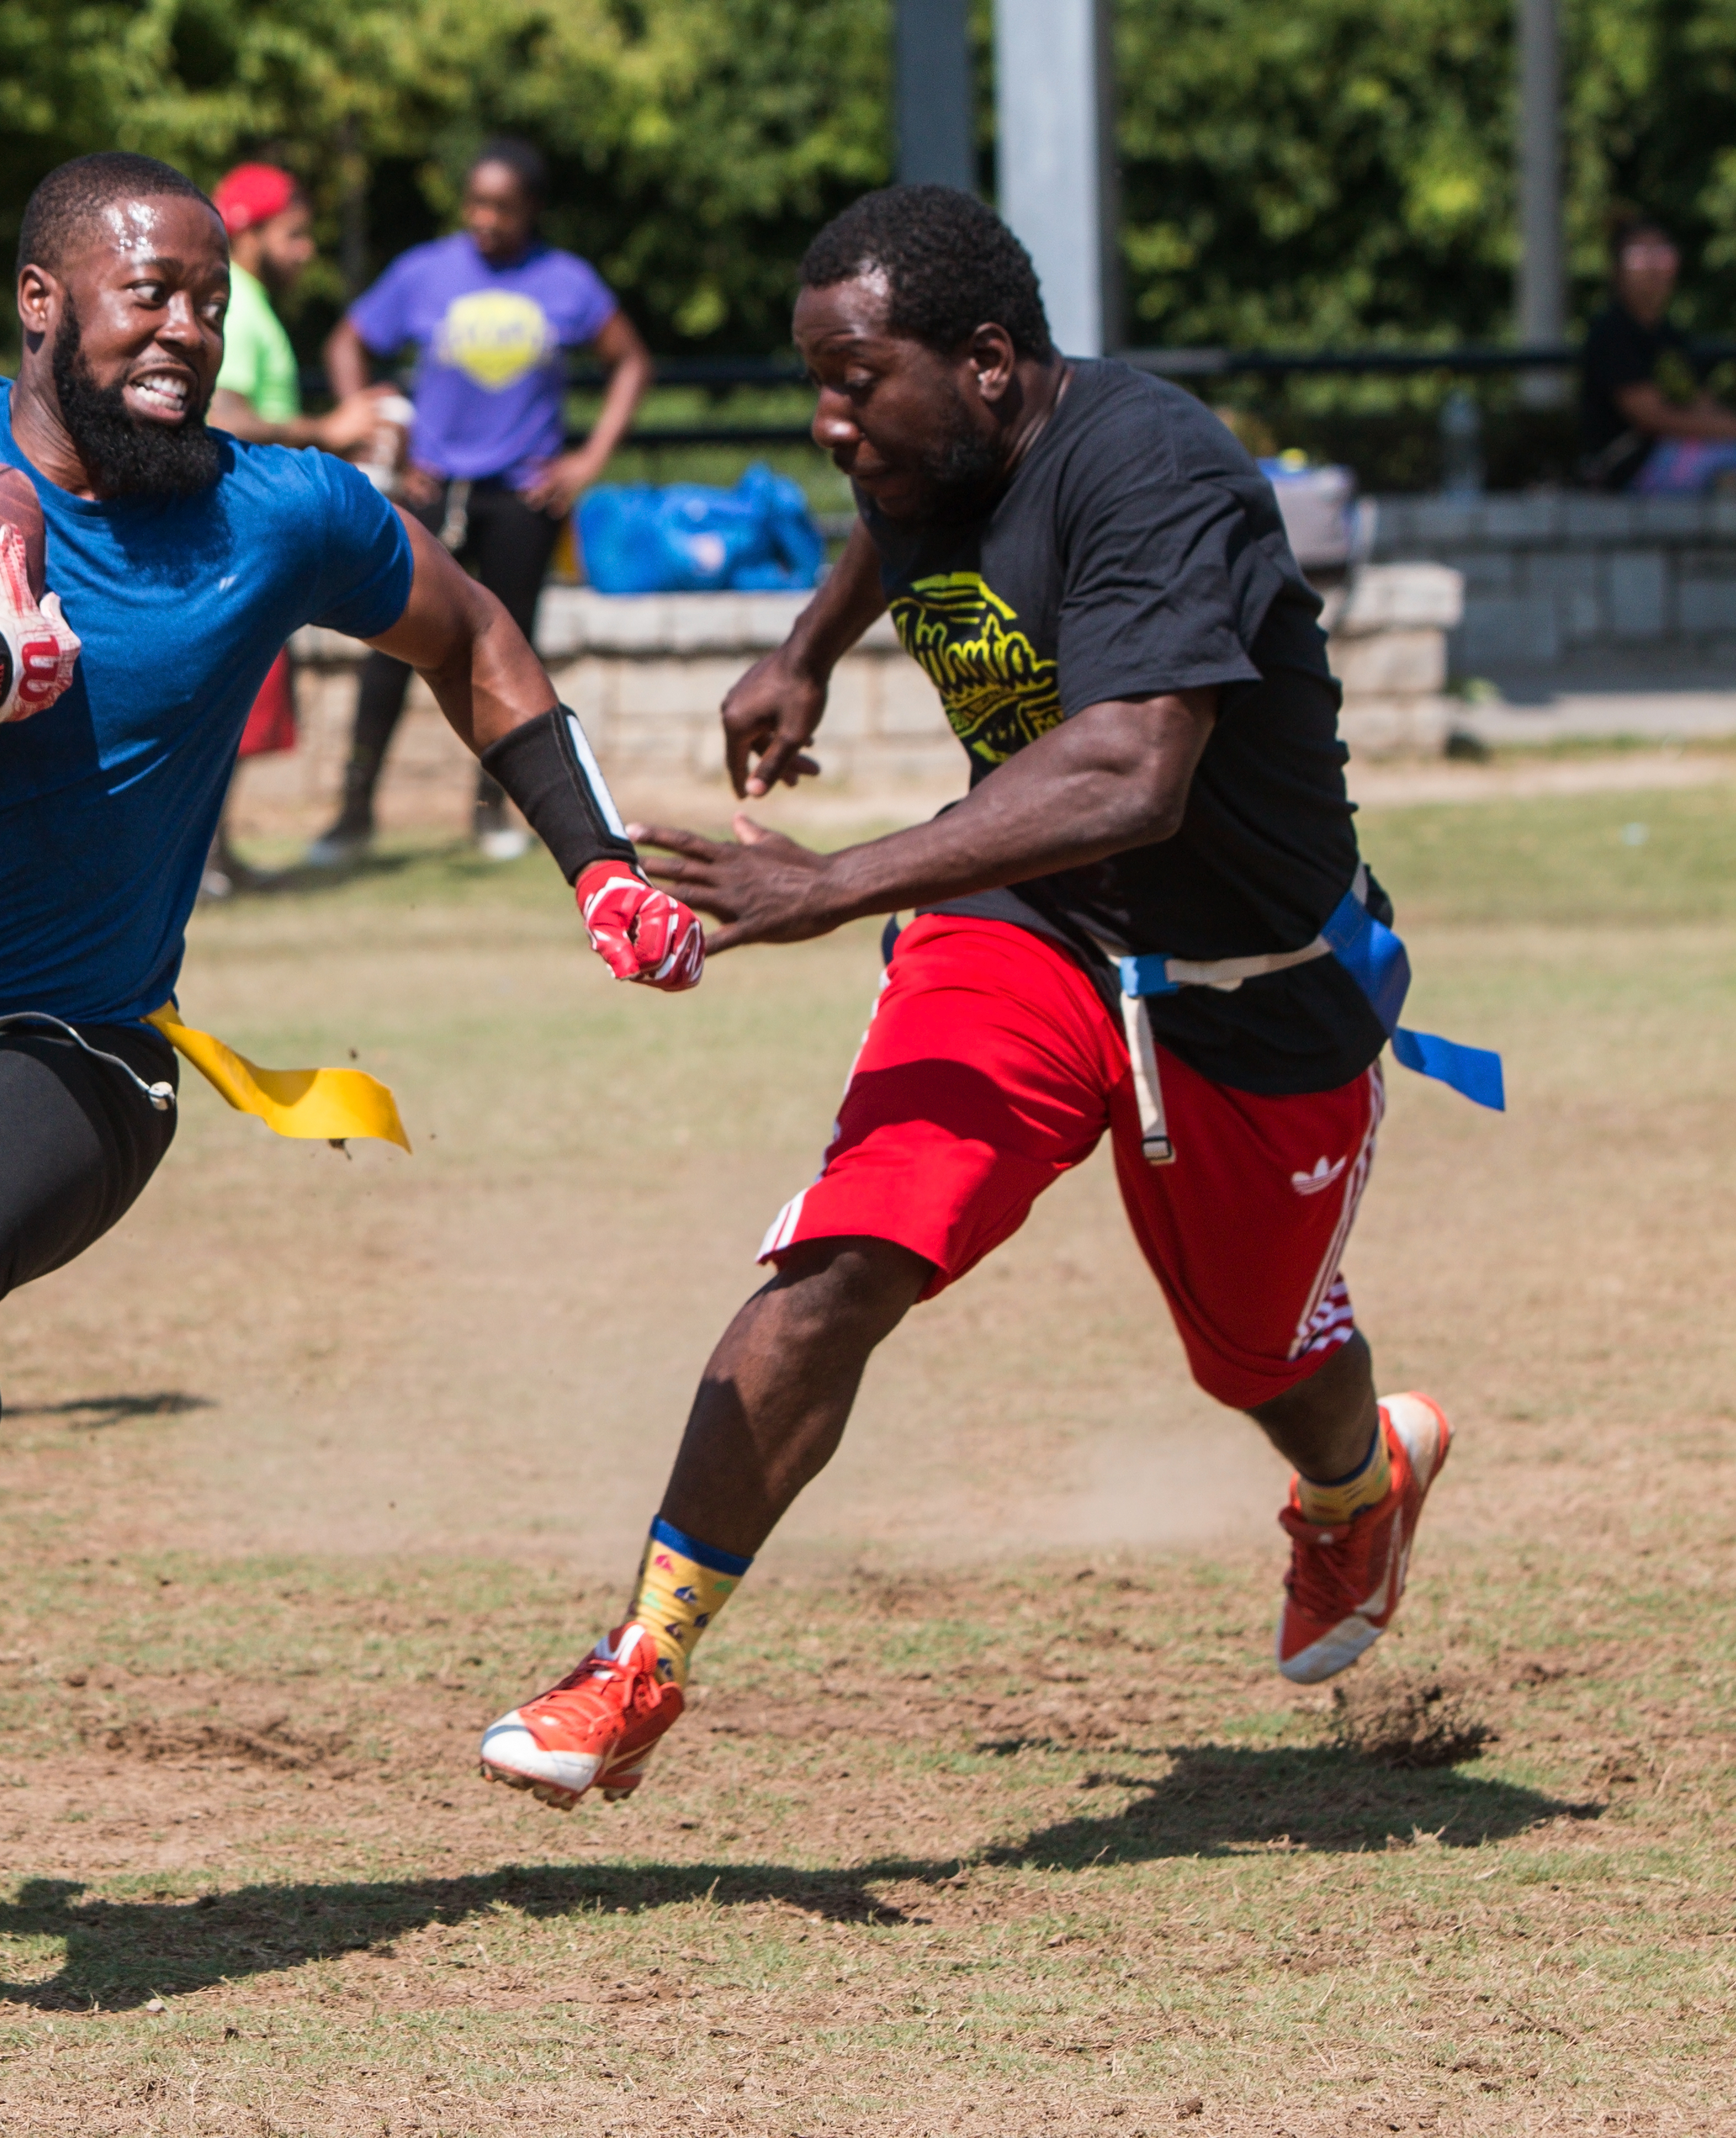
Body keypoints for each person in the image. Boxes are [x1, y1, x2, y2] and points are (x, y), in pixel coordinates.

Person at [0, 151, 704, 1938]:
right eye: (145, 293)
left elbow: (472, 626)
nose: (184, 327)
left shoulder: (280, 508)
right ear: (44, 303)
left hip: (83, 1048)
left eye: (206, 296)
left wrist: (599, 864)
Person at [476, 186, 1490, 1811]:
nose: (828, 423)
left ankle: (1362, 1480)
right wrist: (805, 647)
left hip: (1253, 989)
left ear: (993, 364)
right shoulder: (935, 449)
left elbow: (1129, 769)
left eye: (853, 381)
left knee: (1255, 1358)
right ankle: (638, 1659)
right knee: (849, 1251)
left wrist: (829, 879)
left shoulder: (1155, 472)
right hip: (1019, 928)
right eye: (818, 382)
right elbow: (904, 514)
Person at [309, 139, 649, 865]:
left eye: (502, 205)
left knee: (507, 654)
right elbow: (348, 341)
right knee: (387, 647)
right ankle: (352, 813)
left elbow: (630, 362)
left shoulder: (566, 282)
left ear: (530, 209)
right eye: (476, 202)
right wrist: (372, 428)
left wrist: (585, 461)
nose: (485, 218)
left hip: (520, 498)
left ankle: (490, 813)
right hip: (430, 489)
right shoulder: (425, 271)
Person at [198, 161, 390, 894]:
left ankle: (216, 856)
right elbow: (226, 416)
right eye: (294, 233)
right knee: (229, 703)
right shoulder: (236, 305)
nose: (306, 251)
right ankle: (204, 861)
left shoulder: (242, 301)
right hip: (231, 538)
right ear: (246, 231)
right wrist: (331, 429)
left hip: (248, 537)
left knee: (244, 702)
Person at [1581, 213, 1736, 494]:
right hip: (1630, 471)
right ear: (1618, 268)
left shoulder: (1669, 335)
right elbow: (1651, 415)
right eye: (1641, 256)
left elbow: (1699, 402)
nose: (1654, 266)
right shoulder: (1612, 332)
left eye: (1663, 254)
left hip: (1680, 456)